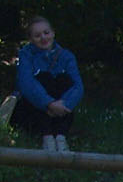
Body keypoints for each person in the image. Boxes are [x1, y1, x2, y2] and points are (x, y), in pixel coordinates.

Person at [13, 17, 83, 152]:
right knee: (44, 78)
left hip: (61, 109)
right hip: (34, 109)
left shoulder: (67, 56)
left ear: (53, 33)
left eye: (46, 33)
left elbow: (77, 86)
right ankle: (47, 136)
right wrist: (49, 104)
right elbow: (26, 83)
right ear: (31, 39)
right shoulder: (25, 55)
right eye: (37, 35)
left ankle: (61, 137)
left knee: (64, 80)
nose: (43, 38)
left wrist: (64, 105)